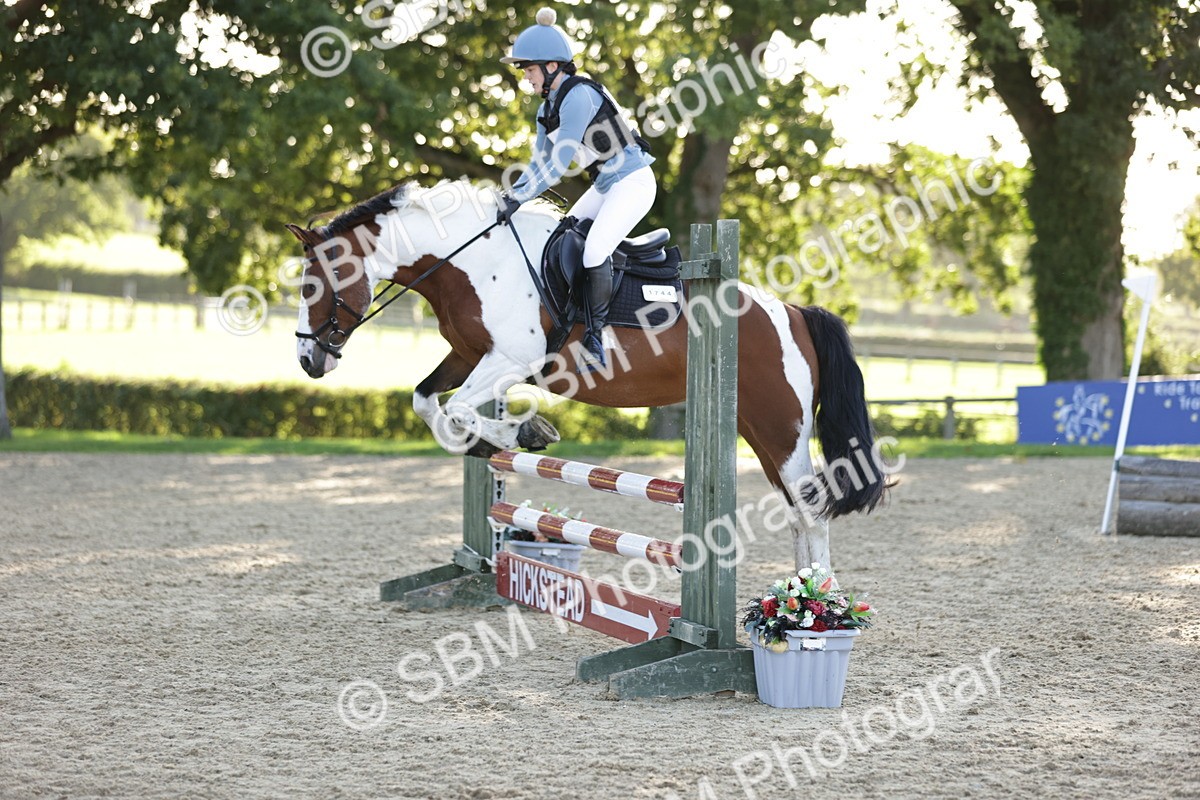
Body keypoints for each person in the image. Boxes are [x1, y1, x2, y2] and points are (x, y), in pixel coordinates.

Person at [496, 6, 657, 371]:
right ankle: (568, 320)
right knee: (561, 240)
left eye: (529, 70)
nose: (526, 78)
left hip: (633, 183)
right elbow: (538, 163)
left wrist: (519, 198)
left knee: (594, 249)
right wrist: (510, 196)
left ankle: (596, 338)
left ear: (552, 67)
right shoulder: (547, 109)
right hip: (605, 185)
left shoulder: (578, 96)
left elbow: (557, 167)